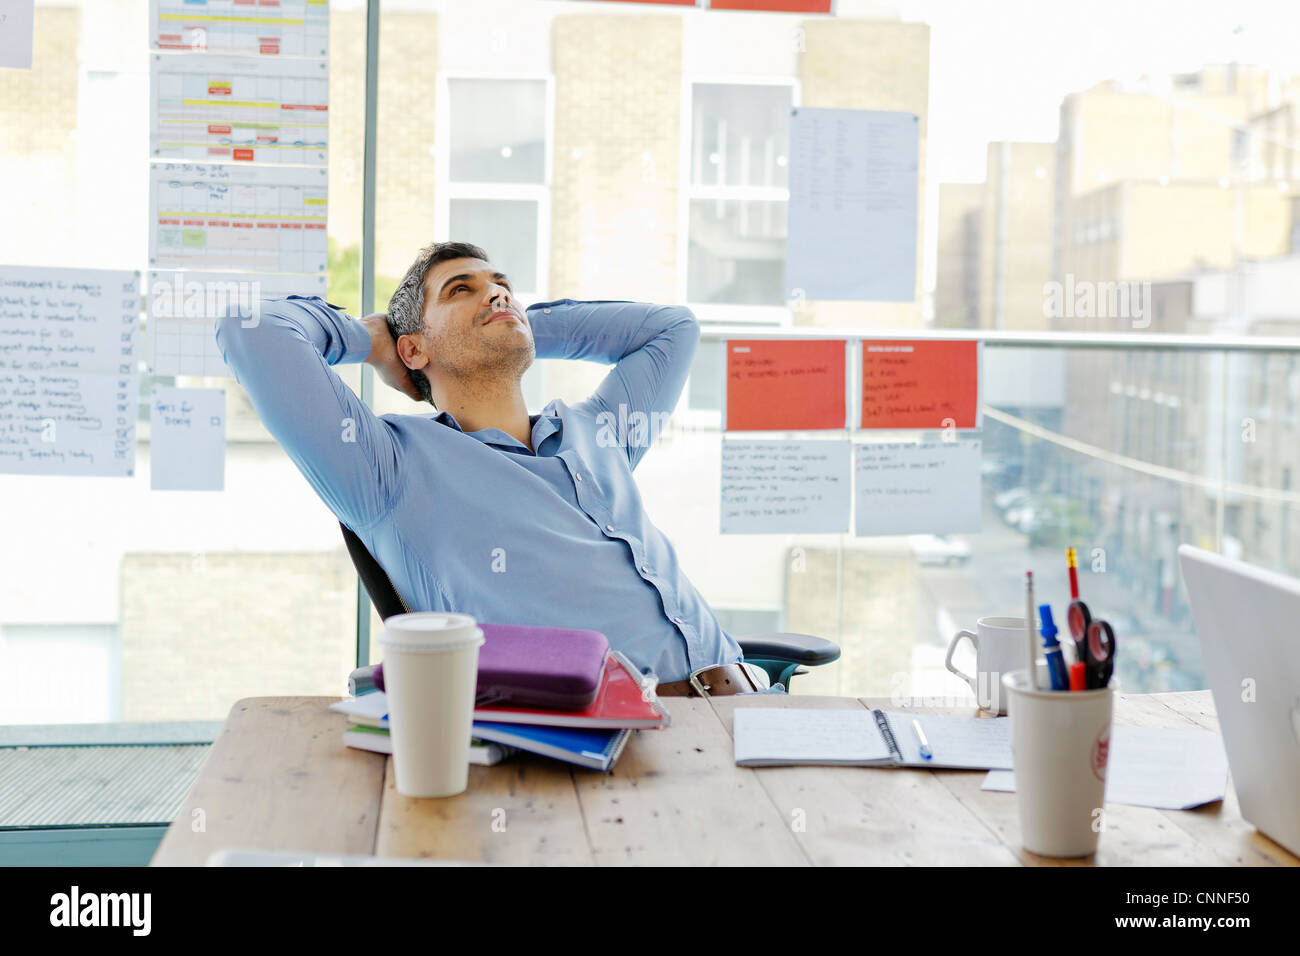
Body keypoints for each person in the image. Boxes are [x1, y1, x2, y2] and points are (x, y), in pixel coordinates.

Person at [216, 241, 775, 696]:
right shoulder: (387, 468)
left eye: (502, 286)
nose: (497, 295)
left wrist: (508, 326)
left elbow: (671, 328)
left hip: (749, 706)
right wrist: (376, 340)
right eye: (463, 290)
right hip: (612, 743)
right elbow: (252, 328)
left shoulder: (599, 431)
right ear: (412, 351)